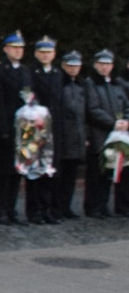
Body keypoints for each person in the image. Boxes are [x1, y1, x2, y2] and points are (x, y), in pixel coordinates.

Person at [0, 30, 33, 225]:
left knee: (18, 172)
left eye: (20, 48)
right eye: (14, 48)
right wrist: (3, 129)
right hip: (5, 128)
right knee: (3, 172)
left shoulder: (25, 71)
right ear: (6, 49)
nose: (18, 51)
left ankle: (11, 208)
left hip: (23, 128)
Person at [84, 49, 129, 218]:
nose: (105, 67)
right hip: (100, 134)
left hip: (121, 134)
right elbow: (93, 109)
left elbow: (126, 104)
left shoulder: (117, 84)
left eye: (108, 64)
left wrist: (126, 120)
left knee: (120, 171)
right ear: (95, 65)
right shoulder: (90, 83)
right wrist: (113, 123)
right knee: (98, 173)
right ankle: (95, 207)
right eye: (101, 64)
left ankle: (121, 206)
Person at [27, 36, 63, 224]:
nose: (45, 55)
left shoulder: (57, 73)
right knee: (35, 170)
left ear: (54, 54)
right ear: (36, 53)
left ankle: (47, 208)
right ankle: (34, 211)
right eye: (41, 52)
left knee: (50, 170)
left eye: (48, 52)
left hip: (54, 128)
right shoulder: (30, 72)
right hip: (37, 127)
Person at [54, 51, 87, 218]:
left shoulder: (81, 85)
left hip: (77, 136)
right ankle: (56, 207)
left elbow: (84, 114)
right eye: (70, 66)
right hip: (63, 136)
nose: (73, 69)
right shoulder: (59, 83)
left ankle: (66, 206)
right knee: (59, 176)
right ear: (63, 66)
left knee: (70, 176)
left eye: (76, 66)